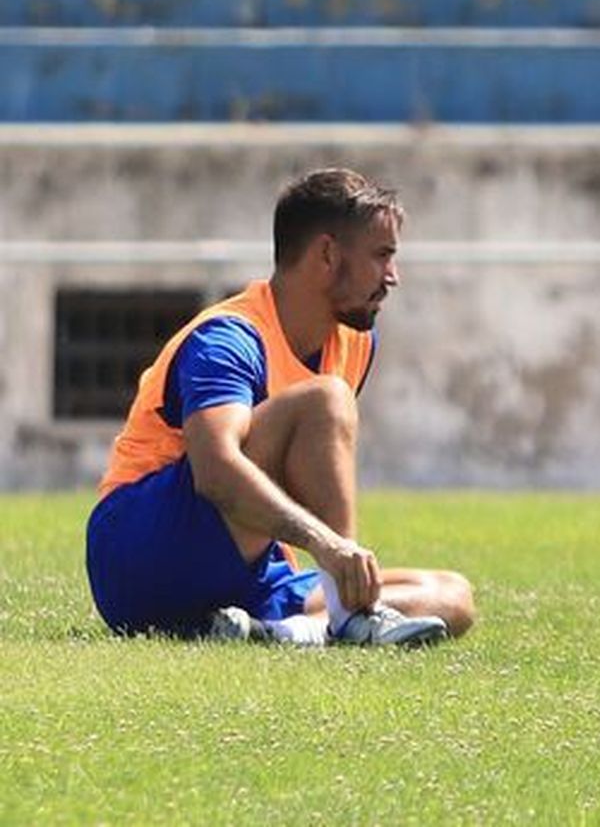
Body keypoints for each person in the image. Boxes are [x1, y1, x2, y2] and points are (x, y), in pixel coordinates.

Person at [86, 168, 475, 646]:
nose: (392, 276)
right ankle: (348, 617)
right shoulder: (228, 337)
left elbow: (304, 467)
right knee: (327, 398)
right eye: (381, 256)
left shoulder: (355, 342)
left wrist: (324, 554)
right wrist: (326, 544)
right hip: (138, 553)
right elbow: (215, 471)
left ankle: (276, 633)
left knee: (451, 596)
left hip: (243, 569)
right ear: (328, 255)